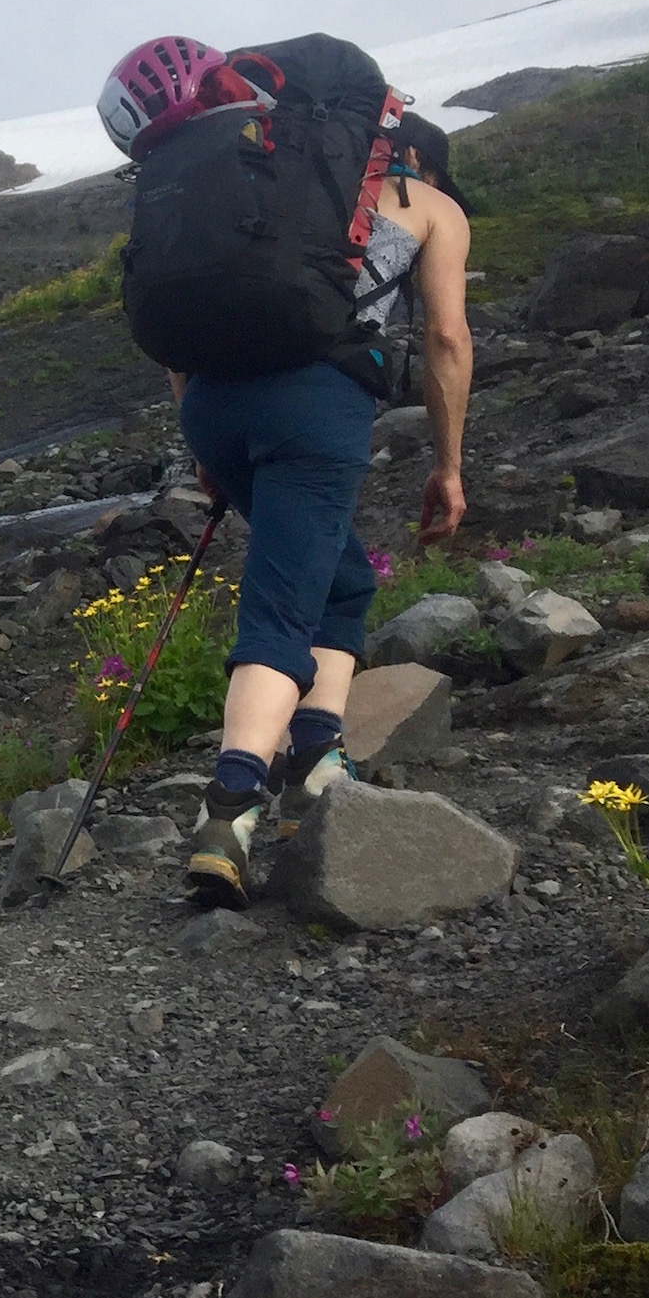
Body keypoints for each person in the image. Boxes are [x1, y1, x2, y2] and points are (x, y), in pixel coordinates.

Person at [174, 112, 475, 907]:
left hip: (209, 403)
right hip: (315, 404)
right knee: (282, 609)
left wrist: (205, 447)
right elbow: (446, 338)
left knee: (340, 581)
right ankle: (229, 810)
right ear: (415, 158)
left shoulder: (264, 186)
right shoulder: (430, 202)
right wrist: (447, 465)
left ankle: (314, 763)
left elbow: (186, 316)